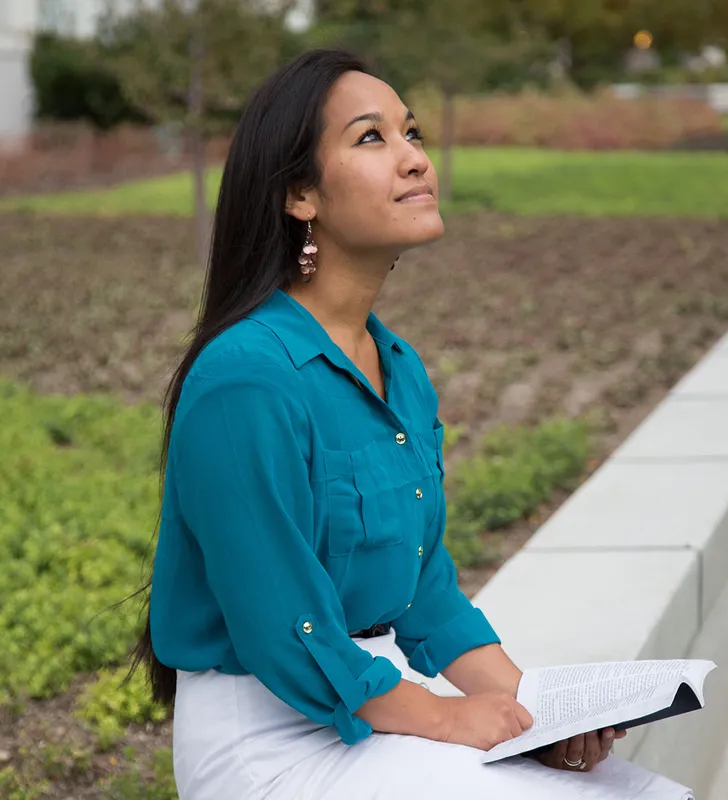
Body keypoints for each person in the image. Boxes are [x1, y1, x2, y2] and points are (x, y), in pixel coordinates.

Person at [130, 48, 626, 799]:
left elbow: (425, 594)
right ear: (301, 194)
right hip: (269, 742)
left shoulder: (399, 369)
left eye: (413, 133)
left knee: (628, 787)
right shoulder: (245, 381)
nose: (414, 160)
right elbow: (284, 625)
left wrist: (535, 715)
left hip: (380, 704)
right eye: (372, 138)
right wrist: (447, 716)